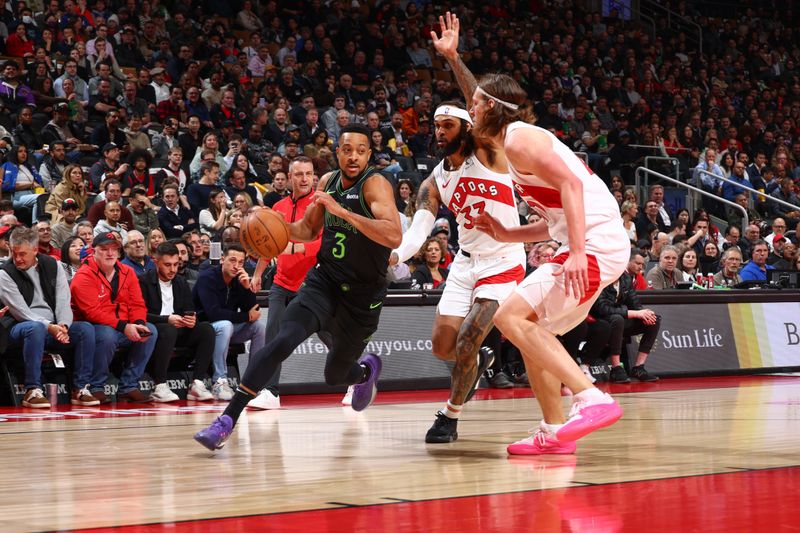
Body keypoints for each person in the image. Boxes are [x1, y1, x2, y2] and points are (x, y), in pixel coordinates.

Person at [432, 13, 629, 456]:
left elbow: (572, 187)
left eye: (478, 105)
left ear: (493, 110)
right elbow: (554, 216)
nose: (471, 109)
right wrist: (507, 231)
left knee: (509, 317)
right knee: (532, 332)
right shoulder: (509, 144)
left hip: (595, 242)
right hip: (588, 240)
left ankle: (592, 398)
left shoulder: (521, 139)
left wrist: (577, 251)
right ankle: (555, 432)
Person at [195, 124, 402, 450]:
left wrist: (342, 212)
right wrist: (271, 226)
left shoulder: (375, 185)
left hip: (362, 297)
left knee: (335, 375)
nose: (353, 156)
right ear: (337, 152)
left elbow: (393, 236)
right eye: (347, 149)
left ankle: (364, 373)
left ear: (369, 154)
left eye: (360, 150)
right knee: (280, 342)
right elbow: (306, 230)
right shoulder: (327, 182)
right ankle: (226, 420)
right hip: (324, 282)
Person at [388, 101, 526, 442]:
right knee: (442, 347)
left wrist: (452, 57)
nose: (439, 131)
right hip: (466, 262)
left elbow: (488, 113)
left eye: (448, 125)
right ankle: (479, 359)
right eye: (436, 125)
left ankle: (449, 416)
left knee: (466, 341)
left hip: (503, 259)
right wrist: (396, 255)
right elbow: (420, 227)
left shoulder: (491, 155)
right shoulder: (434, 179)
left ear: (467, 128)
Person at [249, 157, 321, 410]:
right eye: (299, 174)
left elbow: (323, 244)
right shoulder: (277, 206)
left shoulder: (320, 205)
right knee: (273, 338)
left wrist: (295, 246)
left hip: (311, 285)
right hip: (281, 283)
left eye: (309, 174)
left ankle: (356, 379)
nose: (304, 179)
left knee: (331, 337)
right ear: (290, 177)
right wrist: (258, 273)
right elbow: (268, 244)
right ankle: (271, 392)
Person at [0, 227, 99, 408]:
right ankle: (32, 389)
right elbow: (21, 312)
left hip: (53, 326)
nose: (18, 259)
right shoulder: (4, 272)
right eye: (14, 254)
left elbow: (63, 300)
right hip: (17, 327)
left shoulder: (54, 265)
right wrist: (49, 327)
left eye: (23, 254)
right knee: (34, 327)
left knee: (85, 329)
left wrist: (63, 326)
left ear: (35, 250)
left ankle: (80, 388)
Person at [70, 232, 158, 403]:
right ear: (93, 250)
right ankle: (96, 387)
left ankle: (129, 386)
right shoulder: (83, 276)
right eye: (104, 249)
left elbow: (137, 304)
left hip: (121, 325)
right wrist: (124, 327)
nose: (110, 253)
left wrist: (138, 323)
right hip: (92, 327)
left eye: (114, 249)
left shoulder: (128, 272)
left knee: (150, 331)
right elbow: (92, 312)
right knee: (107, 334)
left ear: (119, 252)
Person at [139, 242, 216, 402]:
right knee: (168, 329)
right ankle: (160, 385)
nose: (173, 269)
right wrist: (166, 319)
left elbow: (189, 309)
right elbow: (140, 314)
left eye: (176, 264)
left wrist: (191, 320)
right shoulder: (143, 281)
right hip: (155, 329)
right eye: (167, 265)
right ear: (155, 262)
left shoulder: (181, 282)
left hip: (177, 328)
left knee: (206, 329)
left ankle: (197, 383)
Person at [193, 245, 266, 401]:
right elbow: (213, 313)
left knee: (258, 328)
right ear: (222, 259)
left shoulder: (239, 280)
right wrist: (246, 316)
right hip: (204, 330)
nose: (237, 266)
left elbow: (254, 311)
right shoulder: (207, 278)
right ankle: (219, 381)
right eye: (232, 260)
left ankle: (252, 383)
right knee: (225, 325)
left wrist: (247, 288)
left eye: (241, 262)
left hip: (227, 330)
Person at [591, 249, 661, 384]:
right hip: (601, 320)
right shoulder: (600, 279)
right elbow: (602, 308)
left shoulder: (626, 278)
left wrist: (643, 312)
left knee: (654, 320)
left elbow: (634, 302)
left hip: (620, 317)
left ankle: (638, 367)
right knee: (618, 319)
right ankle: (616, 368)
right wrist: (634, 313)